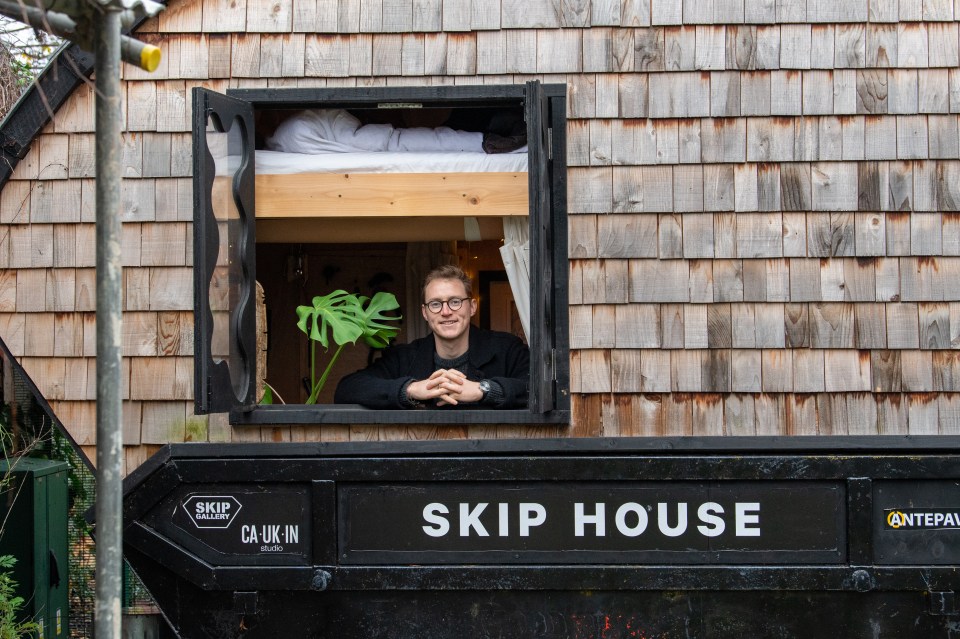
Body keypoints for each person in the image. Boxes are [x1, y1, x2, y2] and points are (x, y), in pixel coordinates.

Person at [334, 265, 529, 409]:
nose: (445, 312)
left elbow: (537, 388)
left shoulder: (507, 349)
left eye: (455, 302)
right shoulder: (404, 358)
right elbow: (347, 389)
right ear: (425, 313)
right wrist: (408, 389)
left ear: (472, 307)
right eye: (435, 304)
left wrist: (484, 390)